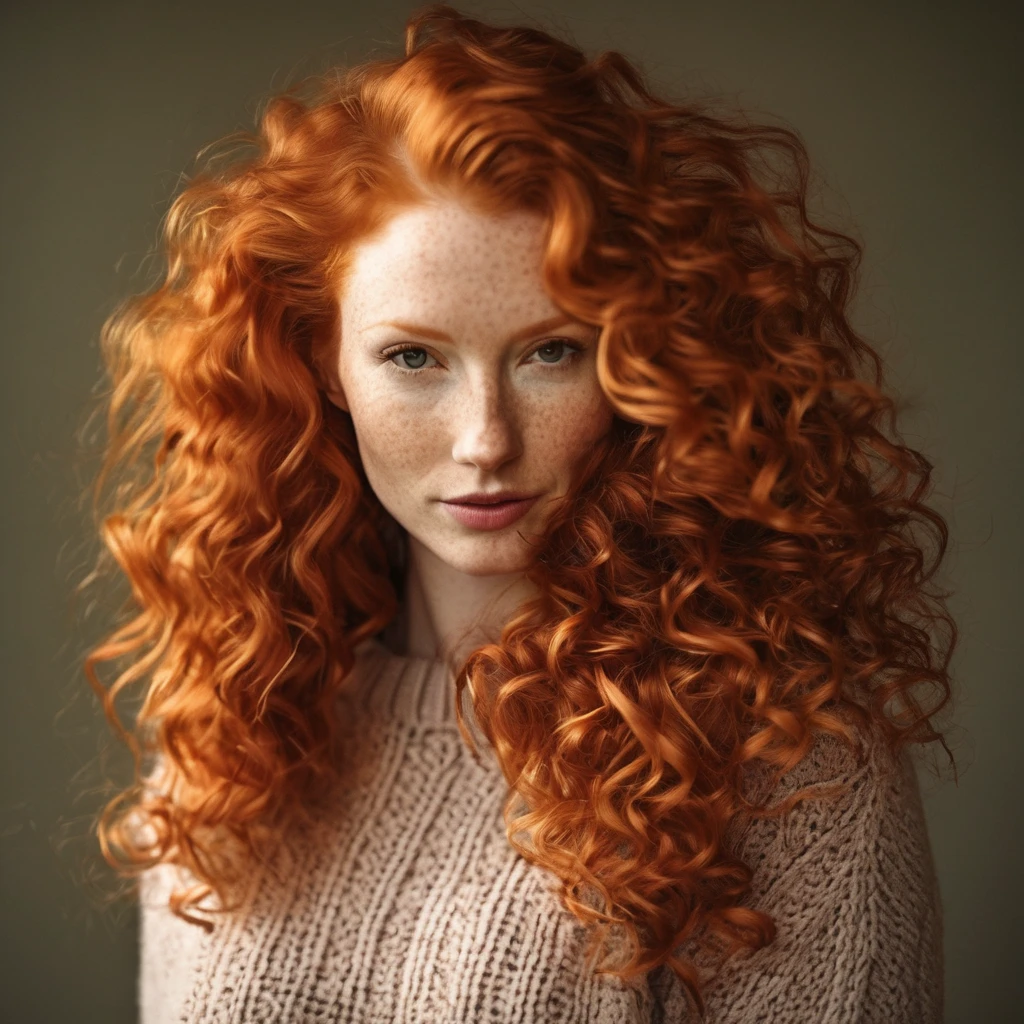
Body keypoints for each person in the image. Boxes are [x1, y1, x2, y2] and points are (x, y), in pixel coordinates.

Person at [80, 5, 957, 1021]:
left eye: (551, 351)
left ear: (638, 360)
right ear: (321, 361)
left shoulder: (790, 764)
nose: (485, 438)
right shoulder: (232, 730)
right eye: (413, 357)